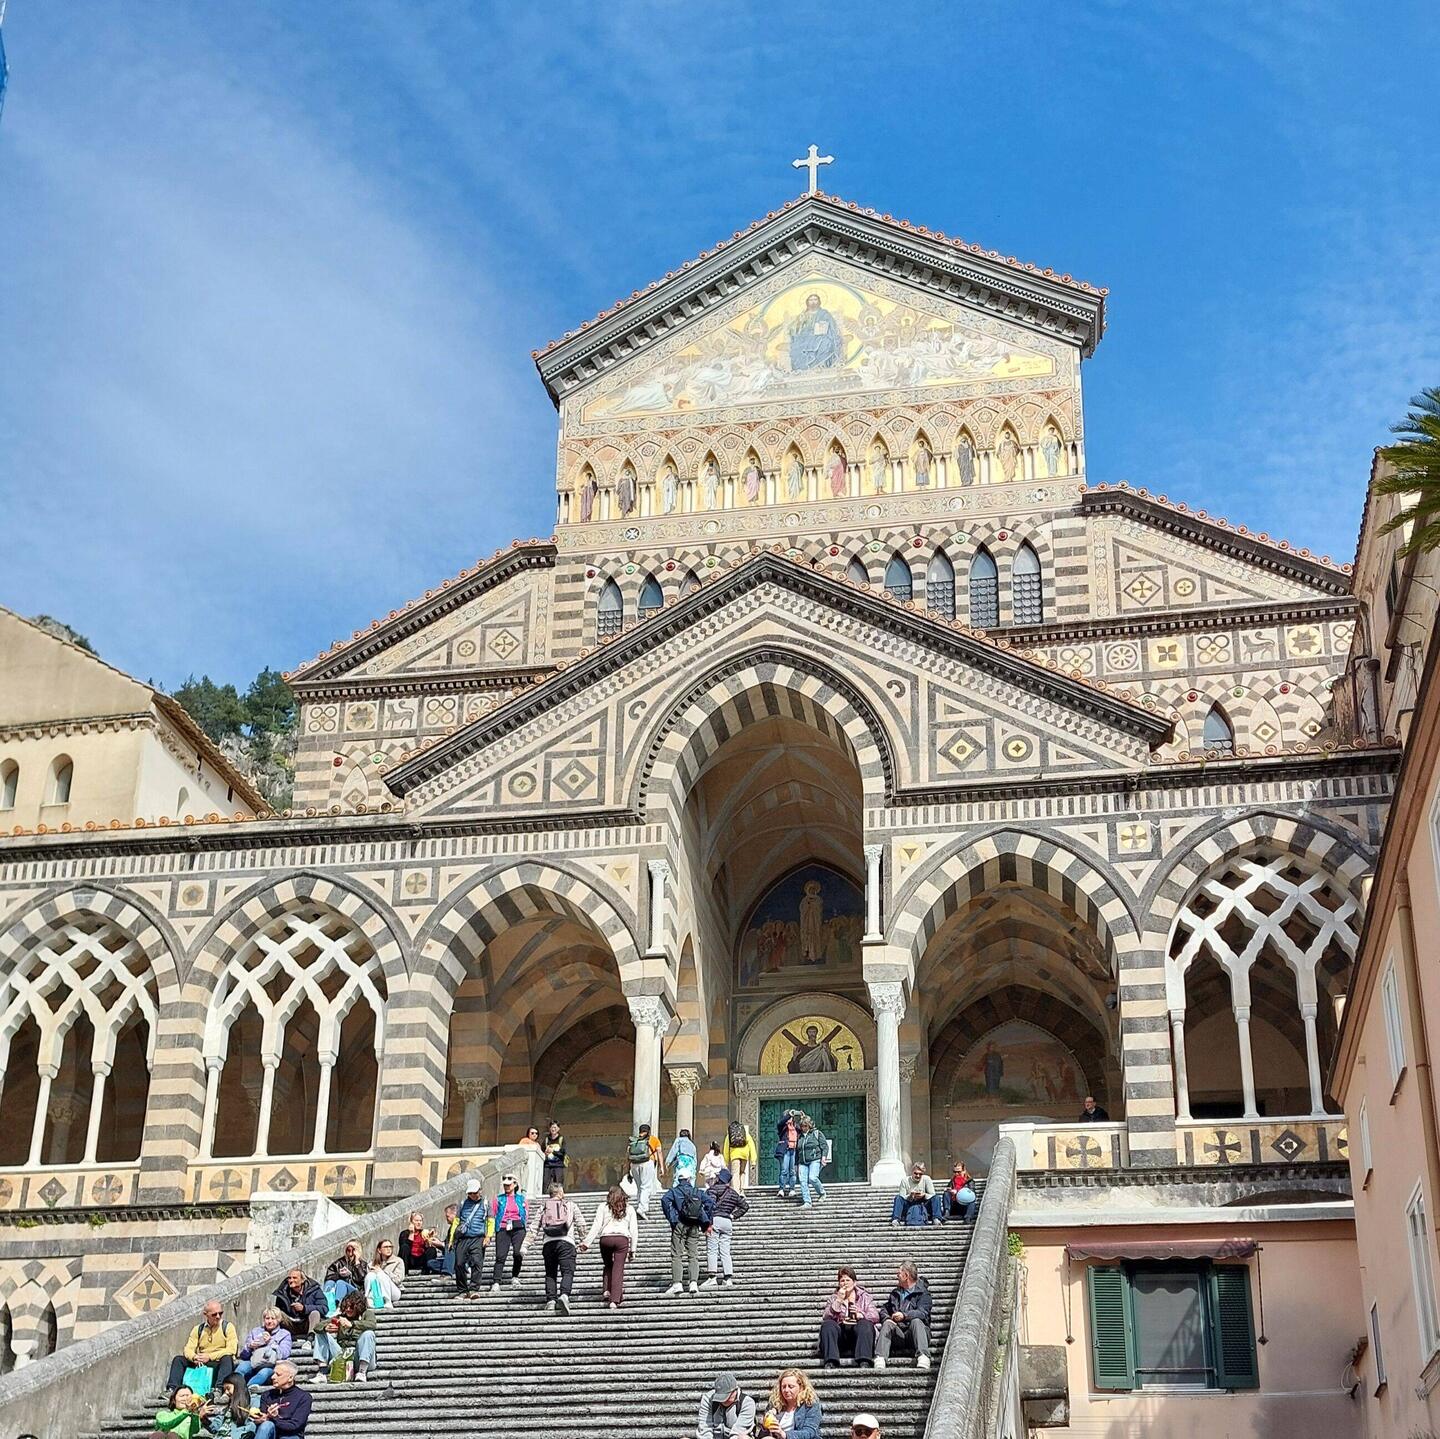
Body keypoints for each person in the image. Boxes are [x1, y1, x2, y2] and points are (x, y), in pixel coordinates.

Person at [528, 1180, 585, 1314]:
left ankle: (551, 1301)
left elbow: (533, 1227)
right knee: (567, 1271)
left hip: (548, 1243)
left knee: (550, 1273)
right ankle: (564, 1295)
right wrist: (583, 1240)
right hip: (566, 1242)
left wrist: (525, 1245)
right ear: (560, 1192)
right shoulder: (570, 1205)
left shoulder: (543, 1206)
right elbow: (581, 1223)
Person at [581, 1184, 637, 1309]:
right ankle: (614, 1300)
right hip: (622, 1239)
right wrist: (633, 1249)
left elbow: (596, 1225)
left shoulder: (603, 1207)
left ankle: (607, 1290)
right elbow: (634, 1230)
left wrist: (586, 1243)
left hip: (605, 1238)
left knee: (608, 1264)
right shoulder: (629, 1208)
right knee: (618, 1268)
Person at [661, 1167, 715, 1295]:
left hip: (679, 1224)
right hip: (694, 1225)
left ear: (678, 1179)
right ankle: (693, 1283)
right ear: (689, 1179)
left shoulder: (674, 1191)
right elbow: (710, 1202)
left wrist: (671, 1217)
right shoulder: (697, 1191)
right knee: (693, 1255)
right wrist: (705, 1218)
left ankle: (677, 1284)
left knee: (677, 1255)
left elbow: (664, 1200)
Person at [166, 1299, 238, 1390]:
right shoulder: (198, 1329)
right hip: (201, 1364)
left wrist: (210, 1356)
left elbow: (231, 1349)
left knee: (227, 1358)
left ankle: (219, 1389)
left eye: (220, 1313)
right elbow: (188, 1349)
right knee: (178, 1359)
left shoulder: (228, 1327)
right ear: (206, 1314)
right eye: (214, 1314)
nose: (218, 1316)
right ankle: (172, 1388)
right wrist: (194, 1357)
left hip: (218, 1363)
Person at [819, 1266, 880, 1368]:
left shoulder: (864, 1297)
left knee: (865, 1324)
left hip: (859, 1335)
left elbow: (875, 1316)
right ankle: (831, 1361)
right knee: (828, 1325)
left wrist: (860, 1315)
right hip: (840, 1335)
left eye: (848, 1280)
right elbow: (826, 1316)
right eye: (842, 1281)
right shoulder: (833, 1298)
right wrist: (838, 1301)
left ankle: (864, 1360)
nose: (845, 1283)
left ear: (854, 1282)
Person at [875, 1261, 932, 1370]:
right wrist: (888, 1318)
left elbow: (922, 1313)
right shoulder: (895, 1294)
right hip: (899, 1333)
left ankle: (923, 1355)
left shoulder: (923, 1294)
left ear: (906, 1275)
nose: (897, 1276)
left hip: (917, 1334)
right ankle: (880, 1357)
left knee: (916, 1321)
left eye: (899, 1274)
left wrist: (904, 1316)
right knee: (887, 1324)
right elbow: (884, 1309)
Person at [311, 1290, 376, 1384]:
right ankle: (322, 1371)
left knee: (368, 1333)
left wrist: (352, 1324)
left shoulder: (367, 1314)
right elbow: (317, 1327)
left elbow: (372, 1325)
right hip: (343, 1354)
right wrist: (326, 1327)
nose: (348, 1309)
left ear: (358, 1306)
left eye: (351, 1307)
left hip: (360, 1356)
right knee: (320, 1332)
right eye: (346, 1307)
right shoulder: (340, 1317)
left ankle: (362, 1372)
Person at [701, 1166, 750, 1288]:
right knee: (725, 1251)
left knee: (712, 1249)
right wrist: (733, 1215)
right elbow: (745, 1206)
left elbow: (709, 1206)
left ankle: (712, 1277)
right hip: (727, 1221)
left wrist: (707, 1222)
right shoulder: (733, 1193)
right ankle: (728, 1278)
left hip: (715, 1220)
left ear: (719, 1179)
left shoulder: (712, 1190)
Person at [489, 1170, 528, 1292]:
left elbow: (525, 1213)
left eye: (509, 1185)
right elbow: (492, 1214)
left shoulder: (521, 1199)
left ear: (515, 1185)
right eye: (505, 1185)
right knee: (500, 1255)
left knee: (518, 1253)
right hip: (503, 1227)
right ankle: (496, 1281)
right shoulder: (498, 1199)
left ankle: (515, 1276)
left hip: (518, 1227)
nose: (506, 1187)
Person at [234, 1308, 290, 1391]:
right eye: (267, 1318)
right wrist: (250, 1346)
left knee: (264, 1372)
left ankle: (246, 1390)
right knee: (242, 1367)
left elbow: (285, 1353)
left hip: (271, 1365)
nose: (269, 1321)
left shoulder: (284, 1334)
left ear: (278, 1320)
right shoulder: (255, 1331)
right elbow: (243, 1356)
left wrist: (270, 1342)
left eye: (273, 1318)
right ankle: (234, 1388)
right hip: (254, 1362)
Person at [454, 1176, 492, 1299]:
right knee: (459, 1263)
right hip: (463, 1238)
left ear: (480, 1190)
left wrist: (488, 1236)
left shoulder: (486, 1203)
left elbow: (490, 1221)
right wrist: (452, 1238)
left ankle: (474, 1289)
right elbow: (456, 1221)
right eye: (470, 1193)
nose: (472, 1195)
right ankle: (462, 1290)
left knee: (477, 1262)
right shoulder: (462, 1204)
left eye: (474, 1193)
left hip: (478, 1237)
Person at [251, 1362, 310, 1439]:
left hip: (291, 1435)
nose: (272, 1377)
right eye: (273, 1374)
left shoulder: (303, 1397)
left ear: (290, 1378)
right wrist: (260, 1419)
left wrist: (274, 1418)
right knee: (266, 1425)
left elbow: (294, 1425)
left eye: (278, 1375)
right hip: (271, 1433)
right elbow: (263, 1420)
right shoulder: (267, 1395)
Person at [759, 1368, 822, 1438]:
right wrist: (764, 1426)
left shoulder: (810, 1404)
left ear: (801, 1387)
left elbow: (809, 1432)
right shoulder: (775, 1404)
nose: (786, 1390)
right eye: (783, 1387)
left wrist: (784, 1435)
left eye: (791, 1387)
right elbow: (762, 1435)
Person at [697, 1372, 756, 1439]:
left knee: (742, 1437)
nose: (723, 1401)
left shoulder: (747, 1403)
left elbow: (737, 1433)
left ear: (735, 1391)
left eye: (726, 1397)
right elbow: (705, 1428)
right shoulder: (708, 1399)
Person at [271, 1269, 325, 1341]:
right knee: (275, 1312)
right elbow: (278, 1310)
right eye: (289, 1278)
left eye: (294, 1278)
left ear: (302, 1280)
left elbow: (324, 1308)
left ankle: (311, 1337)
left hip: (307, 1323)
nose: (291, 1280)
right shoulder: (283, 1292)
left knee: (315, 1313)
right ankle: (273, 1336)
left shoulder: (314, 1290)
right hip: (291, 1323)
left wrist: (304, 1308)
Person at [626, 1122, 664, 1218]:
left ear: (639, 1131)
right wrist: (662, 1167)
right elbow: (659, 1152)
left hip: (634, 1165)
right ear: (649, 1131)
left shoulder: (633, 1140)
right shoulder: (653, 1139)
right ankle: (642, 1208)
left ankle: (640, 1205)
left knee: (639, 1187)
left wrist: (628, 1171)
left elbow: (628, 1156)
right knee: (646, 1186)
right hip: (647, 1162)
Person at [796, 1117, 828, 1207]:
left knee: (812, 1178)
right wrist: (796, 1164)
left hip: (815, 1159)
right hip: (802, 1162)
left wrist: (824, 1157)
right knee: (803, 1181)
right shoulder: (799, 1136)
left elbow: (824, 1146)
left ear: (809, 1125)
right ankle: (807, 1202)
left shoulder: (816, 1133)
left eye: (805, 1126)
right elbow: (797, 1151)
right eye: (802, 1126)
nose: (804, 1128)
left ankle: (822, 1193)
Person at [397, 1210, 438, 1275]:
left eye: (420, 1221)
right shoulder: (404, 1233)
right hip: (409, 1259)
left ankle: (426, 1272)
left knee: (432, 1250)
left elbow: (427, 1248)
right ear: (411, 1222)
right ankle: (404, 1273)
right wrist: (411, 1233)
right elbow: (404, 1247)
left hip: (420, 1259)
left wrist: (429, 1239)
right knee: (404, 1247)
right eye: (416, 1220)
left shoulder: (424, 1233)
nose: (419, 1223)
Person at [366, 1239, 404, 1309]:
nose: (388, 1249)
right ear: (379, 1250)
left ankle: (387, 1302)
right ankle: (369, 1301)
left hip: (394, 1291)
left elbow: (398, 1280)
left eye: (390, 1247)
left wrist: (383, 1272)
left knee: (381, 1275)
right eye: (386, 1247)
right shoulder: (371, 1264)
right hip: (377, 1291)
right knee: (370, 1275)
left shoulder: (398, 1261)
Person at [426, 1203, 461, 1276]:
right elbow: (445, 1245)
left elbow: (457, 1245)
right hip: (451, 1259)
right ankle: (454, 1269)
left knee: (450, 1247)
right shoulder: (451, 1229)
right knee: (430, 1263)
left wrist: (442, 1244)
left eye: (448, 1216)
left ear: (454, 1215)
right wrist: (438, 1244)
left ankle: (447, 1272)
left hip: (460, 1257)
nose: (446, 1218)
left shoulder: (461, 1227)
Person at [724, 1120, 757, 1195]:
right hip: (744, 1155)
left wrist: (726, 1162)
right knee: (742, 1172)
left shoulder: (729, 1135)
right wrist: (753, 1161)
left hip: (734, 1155)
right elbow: (752, 1146)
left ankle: (736, 1191)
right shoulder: (746, 1134)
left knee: (735, 1173)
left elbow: (726, 1148)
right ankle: (742, 1190)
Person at [775, 1110, 800, 1198]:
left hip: (793, 1150)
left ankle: (792, 1189)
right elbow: (780, 1123)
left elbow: (803, 1128)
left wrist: (802, 1116)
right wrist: (789, 1115)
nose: (790, 1119)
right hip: (785, 1150)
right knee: (784, 1170)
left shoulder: (795, 1127)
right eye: (789, 1117)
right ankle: (781, 1189)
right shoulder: (783, 1127)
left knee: (792, 1171)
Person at [542, 1121, 567, 1192]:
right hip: (547, 1165)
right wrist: (545, 1152)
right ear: (549, 1128)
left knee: (558, 1184)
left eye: (555, 1127)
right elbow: (542, 1150)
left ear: (558, 1129)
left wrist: (552, 1151)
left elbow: (563, 1152)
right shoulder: (546, 1139)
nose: (553, 1129)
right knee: (545, 1183)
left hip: (558, 1165)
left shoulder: (561, 1139)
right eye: (552, 1127)